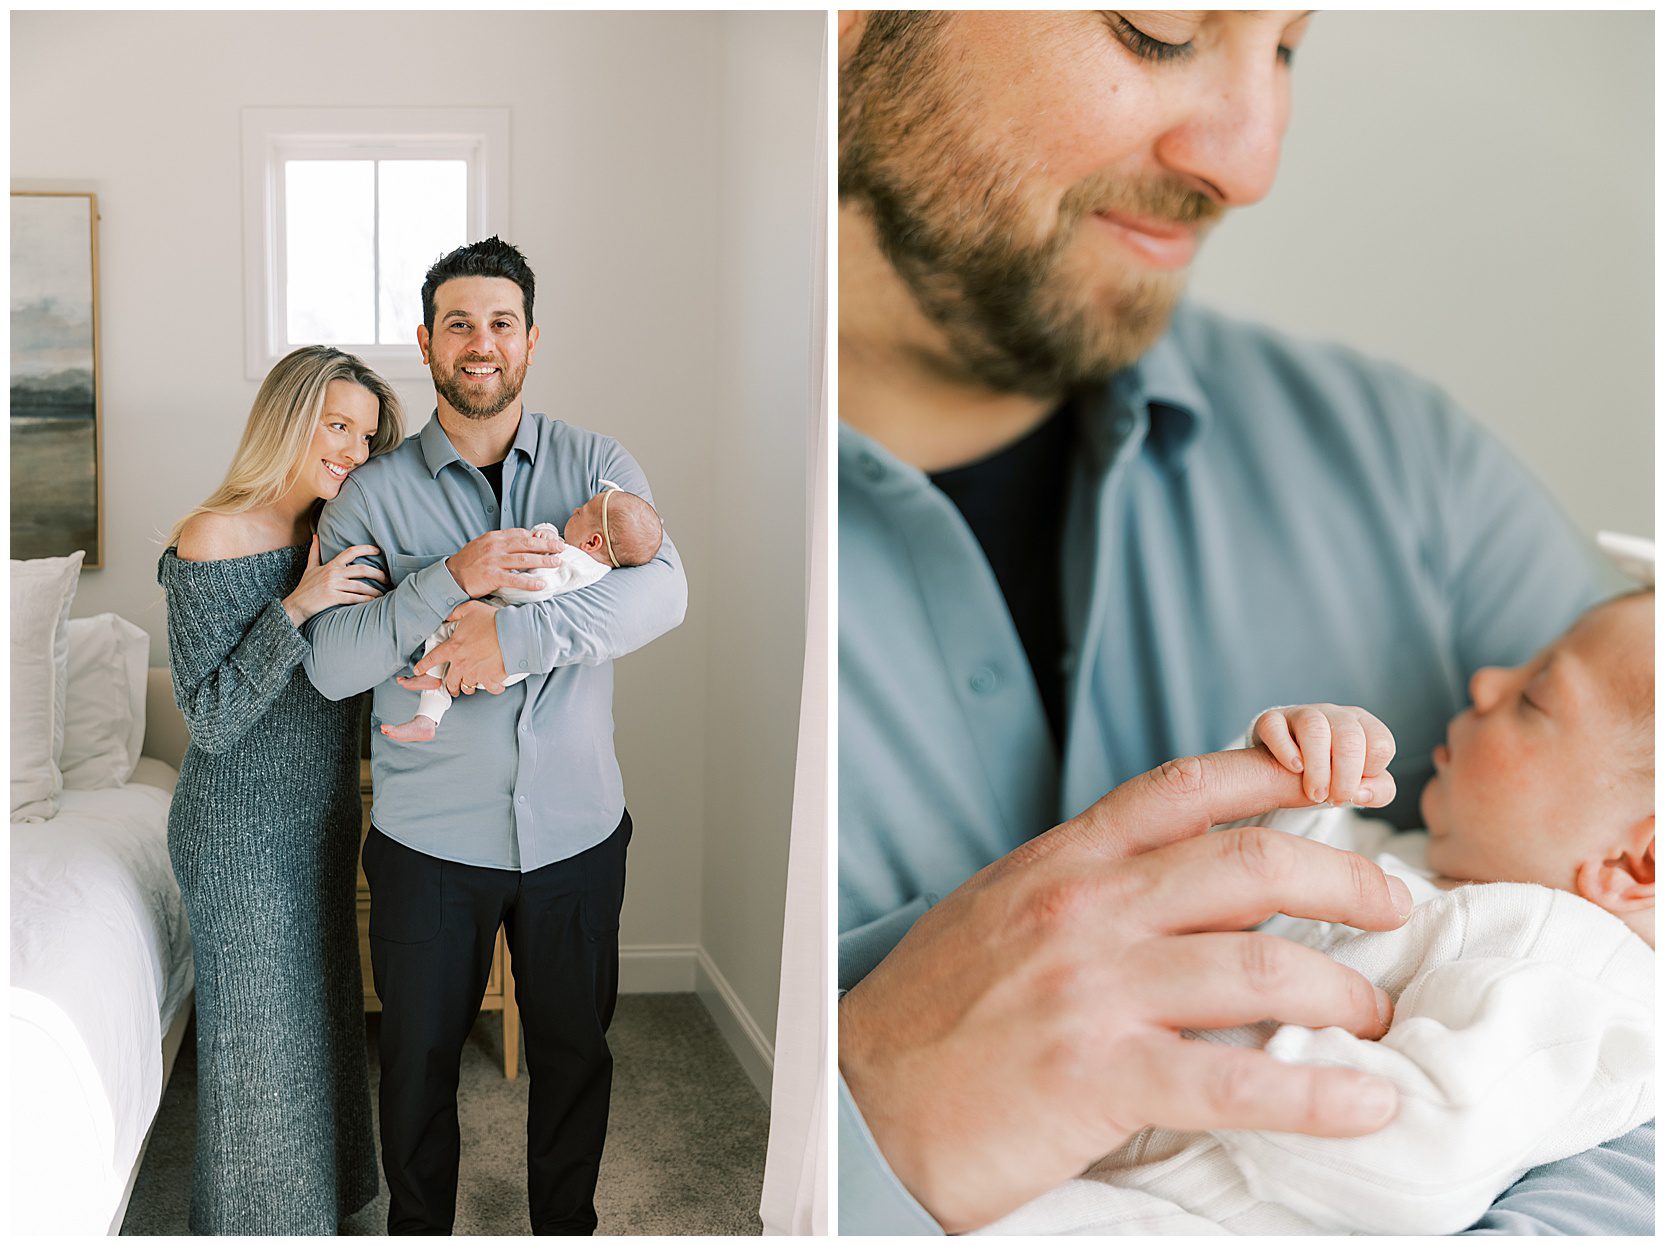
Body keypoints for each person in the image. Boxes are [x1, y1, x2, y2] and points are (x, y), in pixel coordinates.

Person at [834, 10, 1654, 1235]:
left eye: (1289, 47)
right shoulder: (632, 547)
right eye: (1157, 25)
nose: (1252, 160)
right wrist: (855, 1131)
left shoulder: (1407, 472)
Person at [990, 590, 1655, 1234]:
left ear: (1634, 865)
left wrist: (1236, 1051)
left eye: (1535, 697)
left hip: (1194, 1213)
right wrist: (1297, 771)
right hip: (1079, 1144)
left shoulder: (1572, 971)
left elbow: (1419, 1156)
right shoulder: (1412, 860)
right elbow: (1217, 878)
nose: (1485, 680)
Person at [300, 237, 687, 1235]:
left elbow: (666, 595)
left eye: (501, 322)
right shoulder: (371, 496)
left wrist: (513, 638)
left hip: (577, 834)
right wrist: (451, 578)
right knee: (418, 1067)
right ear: (427, 342)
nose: (482, 344)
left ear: (532, 338)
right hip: (430, 846)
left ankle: (565, 1227)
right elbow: (333, 665)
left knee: (574, 1057)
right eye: (460, 323)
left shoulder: (599, 470)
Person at [160, 345, 403, 1233]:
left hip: (321, 817)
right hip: (235, 831)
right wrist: (299, 605)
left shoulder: (335, 536)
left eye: (365, 436)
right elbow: (212, 716)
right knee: (259, 1050)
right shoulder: (211, 535)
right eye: (335, 425)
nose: (350, 449)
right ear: (287, 419)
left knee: (327, 1028)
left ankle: (327, 1211)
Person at [381, 487, 664, 742]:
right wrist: (546, 534)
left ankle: (428, 706)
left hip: (504, 647)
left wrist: (497, 578)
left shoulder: (573, 563)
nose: (575, 509)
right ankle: (428, 709)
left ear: (592, 542)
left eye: (582, 512)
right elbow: (553, 545)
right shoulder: (587, 562)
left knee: (447, 629)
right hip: (509, 648)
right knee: (447, 640)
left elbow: (534, 588)